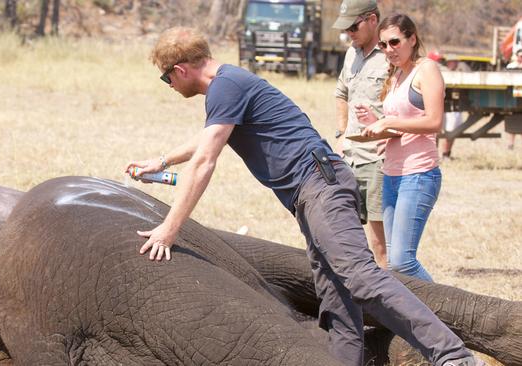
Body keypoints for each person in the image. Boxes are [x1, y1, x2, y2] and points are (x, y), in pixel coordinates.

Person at [126, 26, 479, 366]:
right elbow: (207, 140)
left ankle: (453, 356)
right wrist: (162, 160)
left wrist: (168, 230)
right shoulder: (228, 85)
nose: (168, 85)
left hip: (320, 185)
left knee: (360, 278)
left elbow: (205, 161)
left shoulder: (225, 86)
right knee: (337, 298)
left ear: (180, 70)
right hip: (311, 192)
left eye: (166, 78)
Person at [357, 14, 443, 282]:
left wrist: (390, 121)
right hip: (392, 174)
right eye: (383, 45)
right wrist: (377, 125)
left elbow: (434, 121)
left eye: (394, 42)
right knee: (394, 265)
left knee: (403, 262)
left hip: (418, 175)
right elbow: (404, 127)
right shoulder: (396, 76)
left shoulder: (426, 69)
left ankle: (448, 316)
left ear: (412, 38)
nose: (388, 50)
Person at [333, 0, 388, 268]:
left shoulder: (391, 54)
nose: (350, 34)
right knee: (349, 236)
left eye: (354, 26)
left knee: (381, 244)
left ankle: (390, 302)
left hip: (379, 160)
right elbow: (341, 93)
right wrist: (342, 134)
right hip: (351, 158)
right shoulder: (350, 54)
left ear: (373, 20)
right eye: (346, 29)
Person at [437, 55, 472, 160]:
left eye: (453, 62)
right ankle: (434, 155)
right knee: (436, 131)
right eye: (449, 62)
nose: (450, 64)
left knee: (451, 132)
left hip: (454, 107)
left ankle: (446, 154)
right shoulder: (442, 71)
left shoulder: (462, 71)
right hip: (441, 106)